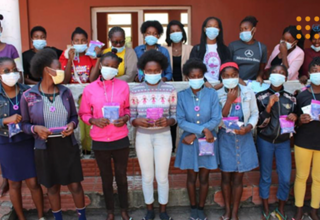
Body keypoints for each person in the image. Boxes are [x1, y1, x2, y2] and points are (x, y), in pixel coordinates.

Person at [20, 49, 87, 220]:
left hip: (67, 145)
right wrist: (36, 129)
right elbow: (24, 124)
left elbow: (73, 116)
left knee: (75, 185)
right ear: (47, 70)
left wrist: (72, 125)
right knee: (52, 187)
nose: (62, 70)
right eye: (59, 66)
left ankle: (82, 217)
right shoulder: (28, 96)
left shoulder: (66, 92)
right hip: (44, 147)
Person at [79, 51, 132, 220]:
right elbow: (83, 113)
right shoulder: (89, 89)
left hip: (120, 138)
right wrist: (93, 121)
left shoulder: (123, 86)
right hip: (100, 140)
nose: (110, 69)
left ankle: (124, 209)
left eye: (114, 67)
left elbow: (129, 110)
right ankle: (110, 211)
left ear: (118, 69)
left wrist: (124, 118)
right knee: (106, 178)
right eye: (107, 65)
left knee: (122, 176)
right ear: (100, 65)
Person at [130, 49, 177, 220]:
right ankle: (149, 209)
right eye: (148, 71)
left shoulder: (170, 89)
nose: (152, 74)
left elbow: (175, 115)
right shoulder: (135, 91)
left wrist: (168, 122)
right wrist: (136, 122)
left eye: (156, 71)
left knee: (162, 176)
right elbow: (132, 117)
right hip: (143, 137)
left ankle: (163, 210)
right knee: (147, 176)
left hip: (163, 136)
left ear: (162, 70)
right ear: (143, 70)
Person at [174, 58, 221, 220]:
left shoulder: (212, 94)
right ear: (187, 77)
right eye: (192, 76)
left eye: (199, 75)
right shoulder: (181, 96)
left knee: (204, 177)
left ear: (203, 76)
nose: (196, 79)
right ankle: (193, 207)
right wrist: (201, 130)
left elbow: (216, 118)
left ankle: (201, 208)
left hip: (207, 141)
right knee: (191, 176)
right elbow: (180, 120)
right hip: (189, 142)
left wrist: (198, 133)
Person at [0, 57, 45, 220]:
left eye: (13, 70)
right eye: (6, 71)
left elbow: (38, 114)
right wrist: (5, 120)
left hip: (27, 142)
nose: (11, 74)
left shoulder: (28, 91)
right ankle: (21, 217)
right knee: (14, 183)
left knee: (33, 182)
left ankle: (41, 216)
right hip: (7, 143)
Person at [217, 62, 259, 220]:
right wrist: (229, 100)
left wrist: (249, 127)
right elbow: (217, 119)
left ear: (238, 75)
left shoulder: (248, 92)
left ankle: (235, 213)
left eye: (233, 75)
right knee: (226, 177)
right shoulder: (217, 94)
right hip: (226, 139)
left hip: (243, 137)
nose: (230, 78)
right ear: (221, 78)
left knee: (238, 178)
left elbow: (255, 113)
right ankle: (227, 211)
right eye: (226, 76)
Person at [256, 64, 297, 220]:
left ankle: (281, 208)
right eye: (274, 72)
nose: (278, 75)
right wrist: (269, 106)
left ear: (286, 77)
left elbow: (297, 119)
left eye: (281, 73)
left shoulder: (291, 98)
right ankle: (266, 208)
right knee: (265, 175)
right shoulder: (260, 96)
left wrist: (296, 117)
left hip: (283, 142)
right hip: (265, 140)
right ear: (269, 76)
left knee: (285, 177)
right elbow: (259, 123)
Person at [59, 27, 98, 156]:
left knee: (87, 123)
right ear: (72, 42)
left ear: (87, 42)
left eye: (83, 41)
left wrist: (97, 57)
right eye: (77, 41)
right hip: (71, 96)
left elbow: (92, 79)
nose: (80, 43)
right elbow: (65, 79)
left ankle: (89, 149)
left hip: (88, 95)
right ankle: (78, 150)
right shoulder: (64, 56)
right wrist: (70, 59)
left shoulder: (90, 56)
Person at [292, 57, 320, 220]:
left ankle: (314, 210)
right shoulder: (302, 95)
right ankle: (299, 209)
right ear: (309, 74)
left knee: (318, 178)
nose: (318, 74)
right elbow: (294, 120)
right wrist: (300, 120)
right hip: (303, 142)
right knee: (301, 176)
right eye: (315, 71)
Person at [164, 20, 193, 152]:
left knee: (185, 115)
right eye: (172, 31)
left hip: (186, 87)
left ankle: (184, 145)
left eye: (178, 30)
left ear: (183, 32)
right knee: (171, 116)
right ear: (168, 34)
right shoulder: (165, 50)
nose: (175, 33)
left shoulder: (190, 49)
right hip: (169, 88)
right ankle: (172, 146)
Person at [0, 13, 19, 197]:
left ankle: (7, 176)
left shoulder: (11, 49)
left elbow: (17, 70)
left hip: (10, 93)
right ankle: (3, 177)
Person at [189, 17, 230, 84]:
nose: (212, 28)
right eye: (209, 26)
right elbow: (192, 69)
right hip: (202, 86)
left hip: (220, 86)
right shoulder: (197, 49)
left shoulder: (225, 49)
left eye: (215, 26)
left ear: (219, 29)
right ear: (205, 29)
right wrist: (205, 82)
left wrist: (222, 84)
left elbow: (228, 69)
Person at [229, 16, 267, 81]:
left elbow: (261, 69)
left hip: (253, 84)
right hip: (235, 82)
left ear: (254, 30)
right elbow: (228, 66)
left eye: (246, 28)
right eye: (241, 29)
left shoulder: (261, 48)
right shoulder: (233, 45)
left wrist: (259, 76)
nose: (243, 31)